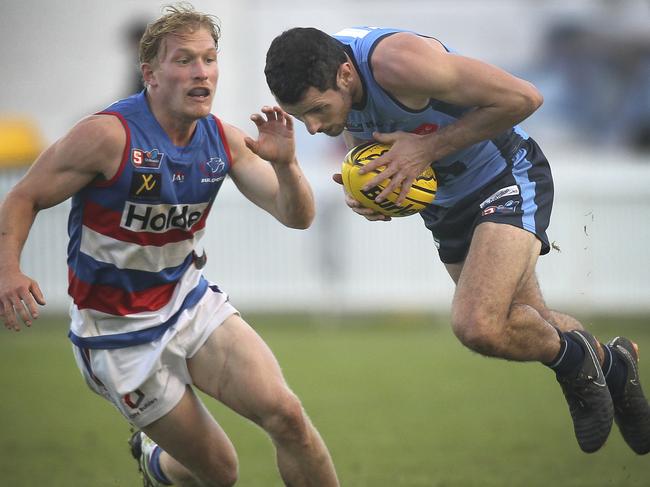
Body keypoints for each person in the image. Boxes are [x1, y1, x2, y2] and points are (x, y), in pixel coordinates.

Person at [264, 26, 650, 455]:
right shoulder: (328, 68)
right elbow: (370, 135)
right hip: (446, 202)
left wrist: (427, 150)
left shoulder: (399, 64)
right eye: (303, 118)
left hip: (504, 173)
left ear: (344, 75)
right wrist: (374, 190)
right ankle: (615, 368)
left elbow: (525, 98)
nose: (314, 128)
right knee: (525, 318)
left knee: (477, 324)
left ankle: (576, 363)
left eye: (317, 110)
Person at [0, 6, 340, 487]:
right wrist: (8, 271)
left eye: (208, 58)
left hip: (188, 303)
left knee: (287, 416)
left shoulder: (222, 138)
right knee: (221, 472)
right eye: (184, 60)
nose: (201, 71)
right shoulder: (106, 136)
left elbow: (297, 216)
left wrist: (287, 166)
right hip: (116, 334)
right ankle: (155, 462)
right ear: (151, 74)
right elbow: (23, 196)